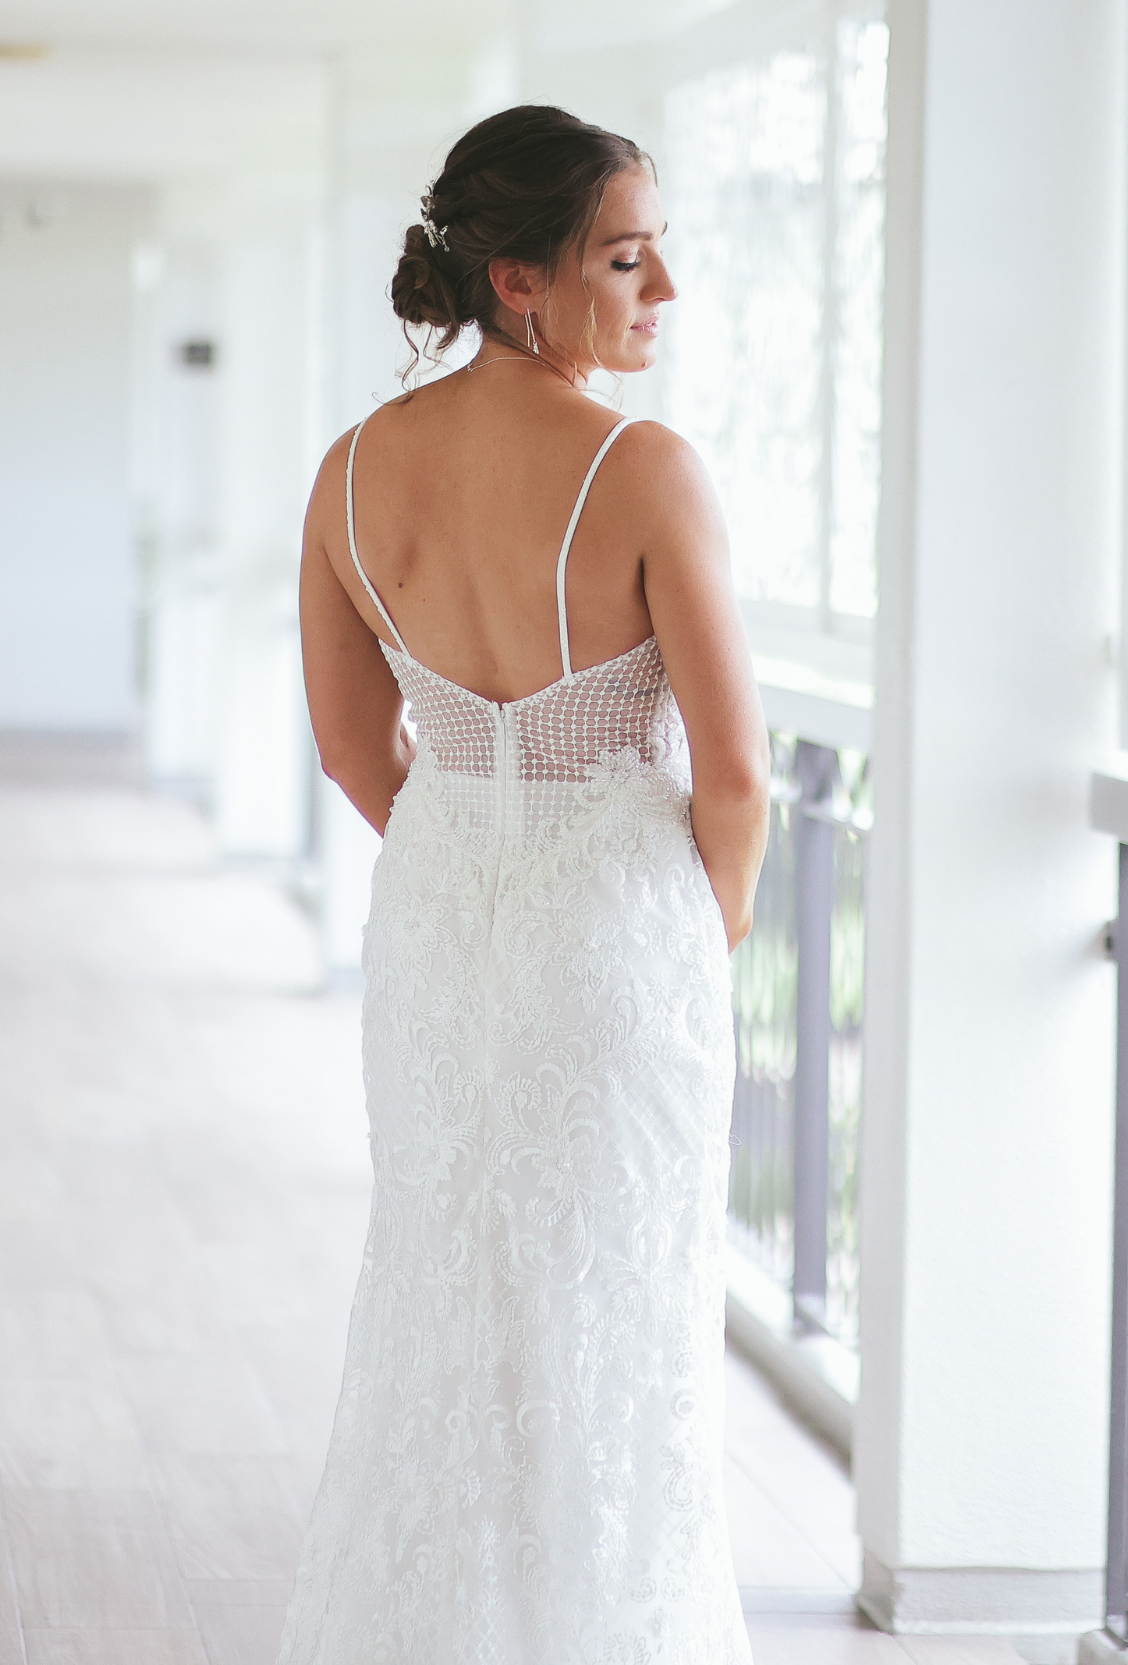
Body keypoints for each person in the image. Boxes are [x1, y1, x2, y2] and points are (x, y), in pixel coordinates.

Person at [280, 104, 770, 1662]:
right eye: (625, 259)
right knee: (612, 1306)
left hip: (438, 925)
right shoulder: (647, 471)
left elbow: (354, 749)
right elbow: (738, 778)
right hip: (616, 936)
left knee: (442, 1276)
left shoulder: (352, 473)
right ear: (519, 279)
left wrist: (470, 860)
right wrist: (698, 931)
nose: (663, 290)